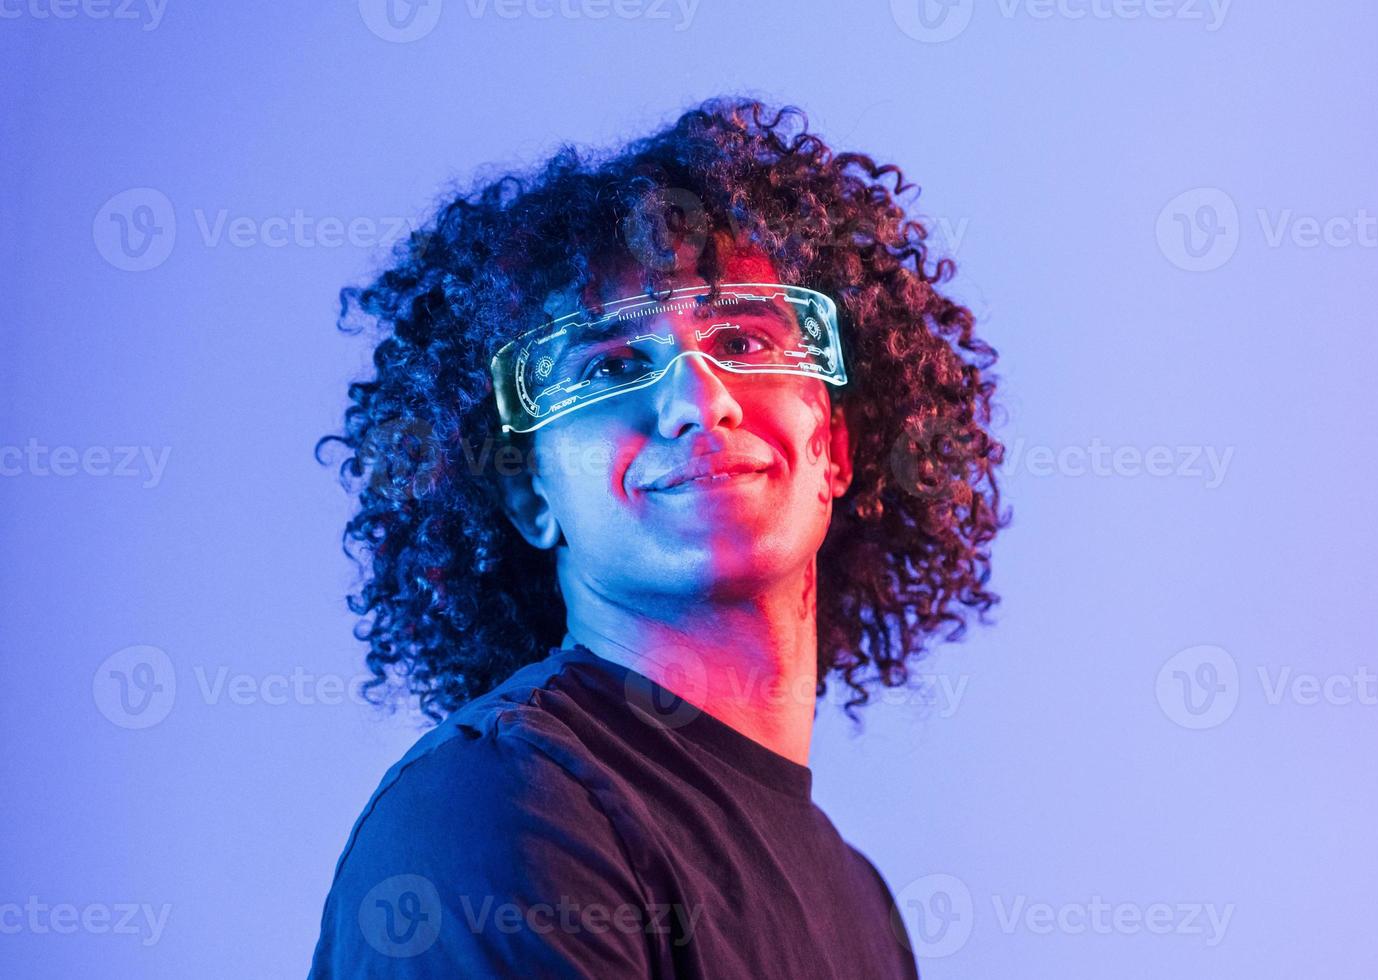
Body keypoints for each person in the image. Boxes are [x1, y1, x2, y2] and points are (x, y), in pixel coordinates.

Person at [309, 96, 1008, 977]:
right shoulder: (501, 810)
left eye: (744, 341)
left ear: (834, 445)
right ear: (531, 495)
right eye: (612, 366)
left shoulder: (859, 901)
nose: (698, 399)